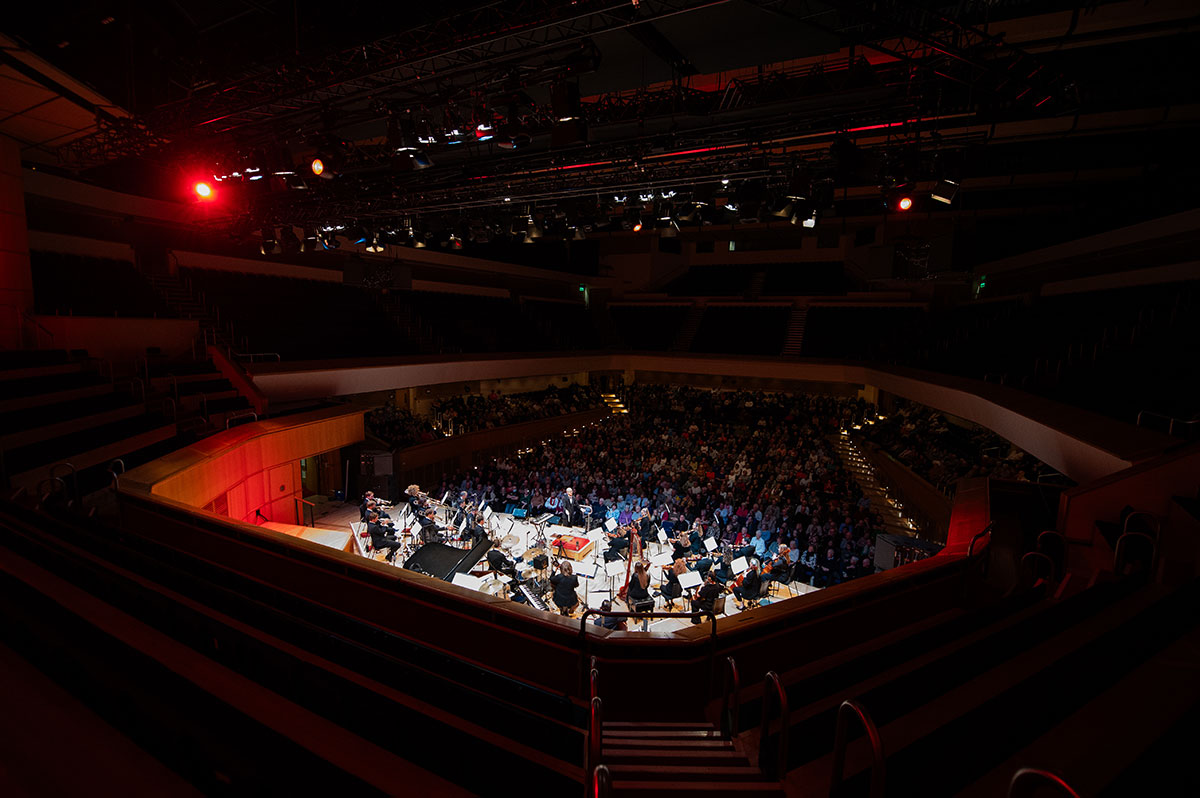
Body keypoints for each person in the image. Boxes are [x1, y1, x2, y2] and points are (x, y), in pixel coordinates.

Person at [626, 561, 653, 631]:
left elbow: (631, 586)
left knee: (628, 592)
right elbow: (647, 586)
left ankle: (630, 607)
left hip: (636, 596)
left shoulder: (635, 576)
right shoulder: (647, 575)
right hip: (645, 595)